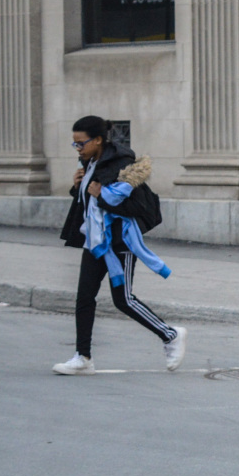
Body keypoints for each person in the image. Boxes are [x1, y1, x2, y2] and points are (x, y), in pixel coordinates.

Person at [52, 116, 186, 375]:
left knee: (122, 299)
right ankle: (83, 357)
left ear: (99, 140)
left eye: (81, 143)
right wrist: (77, 186)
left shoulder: (121, 165)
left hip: (119, 241)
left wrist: (100, 195)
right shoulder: (90, 163)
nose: (78, 148)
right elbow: (87, 201)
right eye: (75, 144)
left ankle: (171, 335)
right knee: (84, 298)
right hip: (96, 241)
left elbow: (137, 206)